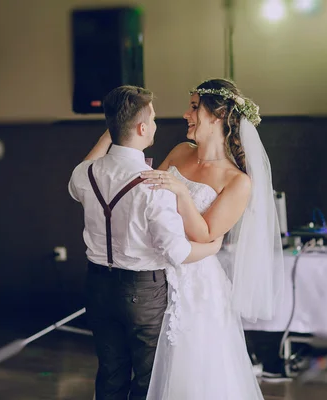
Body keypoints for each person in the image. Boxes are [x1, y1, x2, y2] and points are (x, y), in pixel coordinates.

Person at [68, 85, 224, 400]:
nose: (155, 124)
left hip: (98, 286)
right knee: (148, 381)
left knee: (110, 374)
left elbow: (76, 181)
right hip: (143, 293)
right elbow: (177, 252)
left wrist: (113, 129)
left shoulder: (85, 175)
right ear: (142, 128)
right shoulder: (155, 185)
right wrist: (213, 246)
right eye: (151, 119)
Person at [139, 78, 285, 399]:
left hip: (197, 285)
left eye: (194, 107)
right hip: (155, 266)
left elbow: (205, 233)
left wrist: (179, 191)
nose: (185, 114)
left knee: (192, 371)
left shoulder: (238, 180)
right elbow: (150, 197)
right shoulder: (180, 152)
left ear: (217, 116)